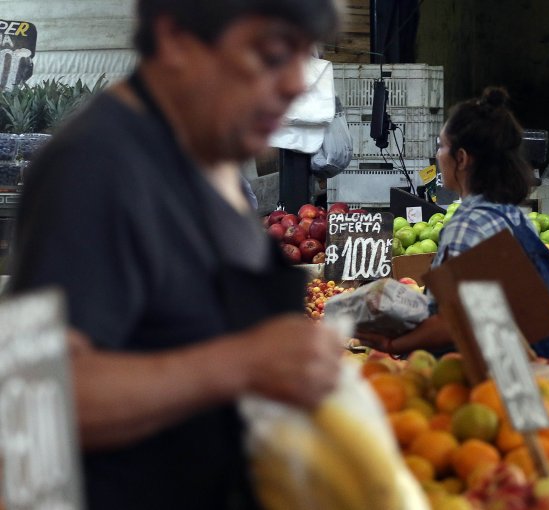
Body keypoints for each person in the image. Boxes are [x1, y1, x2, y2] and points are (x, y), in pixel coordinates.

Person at [8, 1, 344, 509]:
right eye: (274, 53)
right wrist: (243, 364)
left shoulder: (212, 165)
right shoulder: (96, 169)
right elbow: (36, 402)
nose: (298, 84)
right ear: (176, 40)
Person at [357, 87, 549, 358]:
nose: (438, 155)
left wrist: (391, 346)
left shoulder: (468, 224)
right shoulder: (510, 215)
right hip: (542, 370)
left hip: (493, 381)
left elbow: (455, 323)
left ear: (461, 158)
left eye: (441, 146)